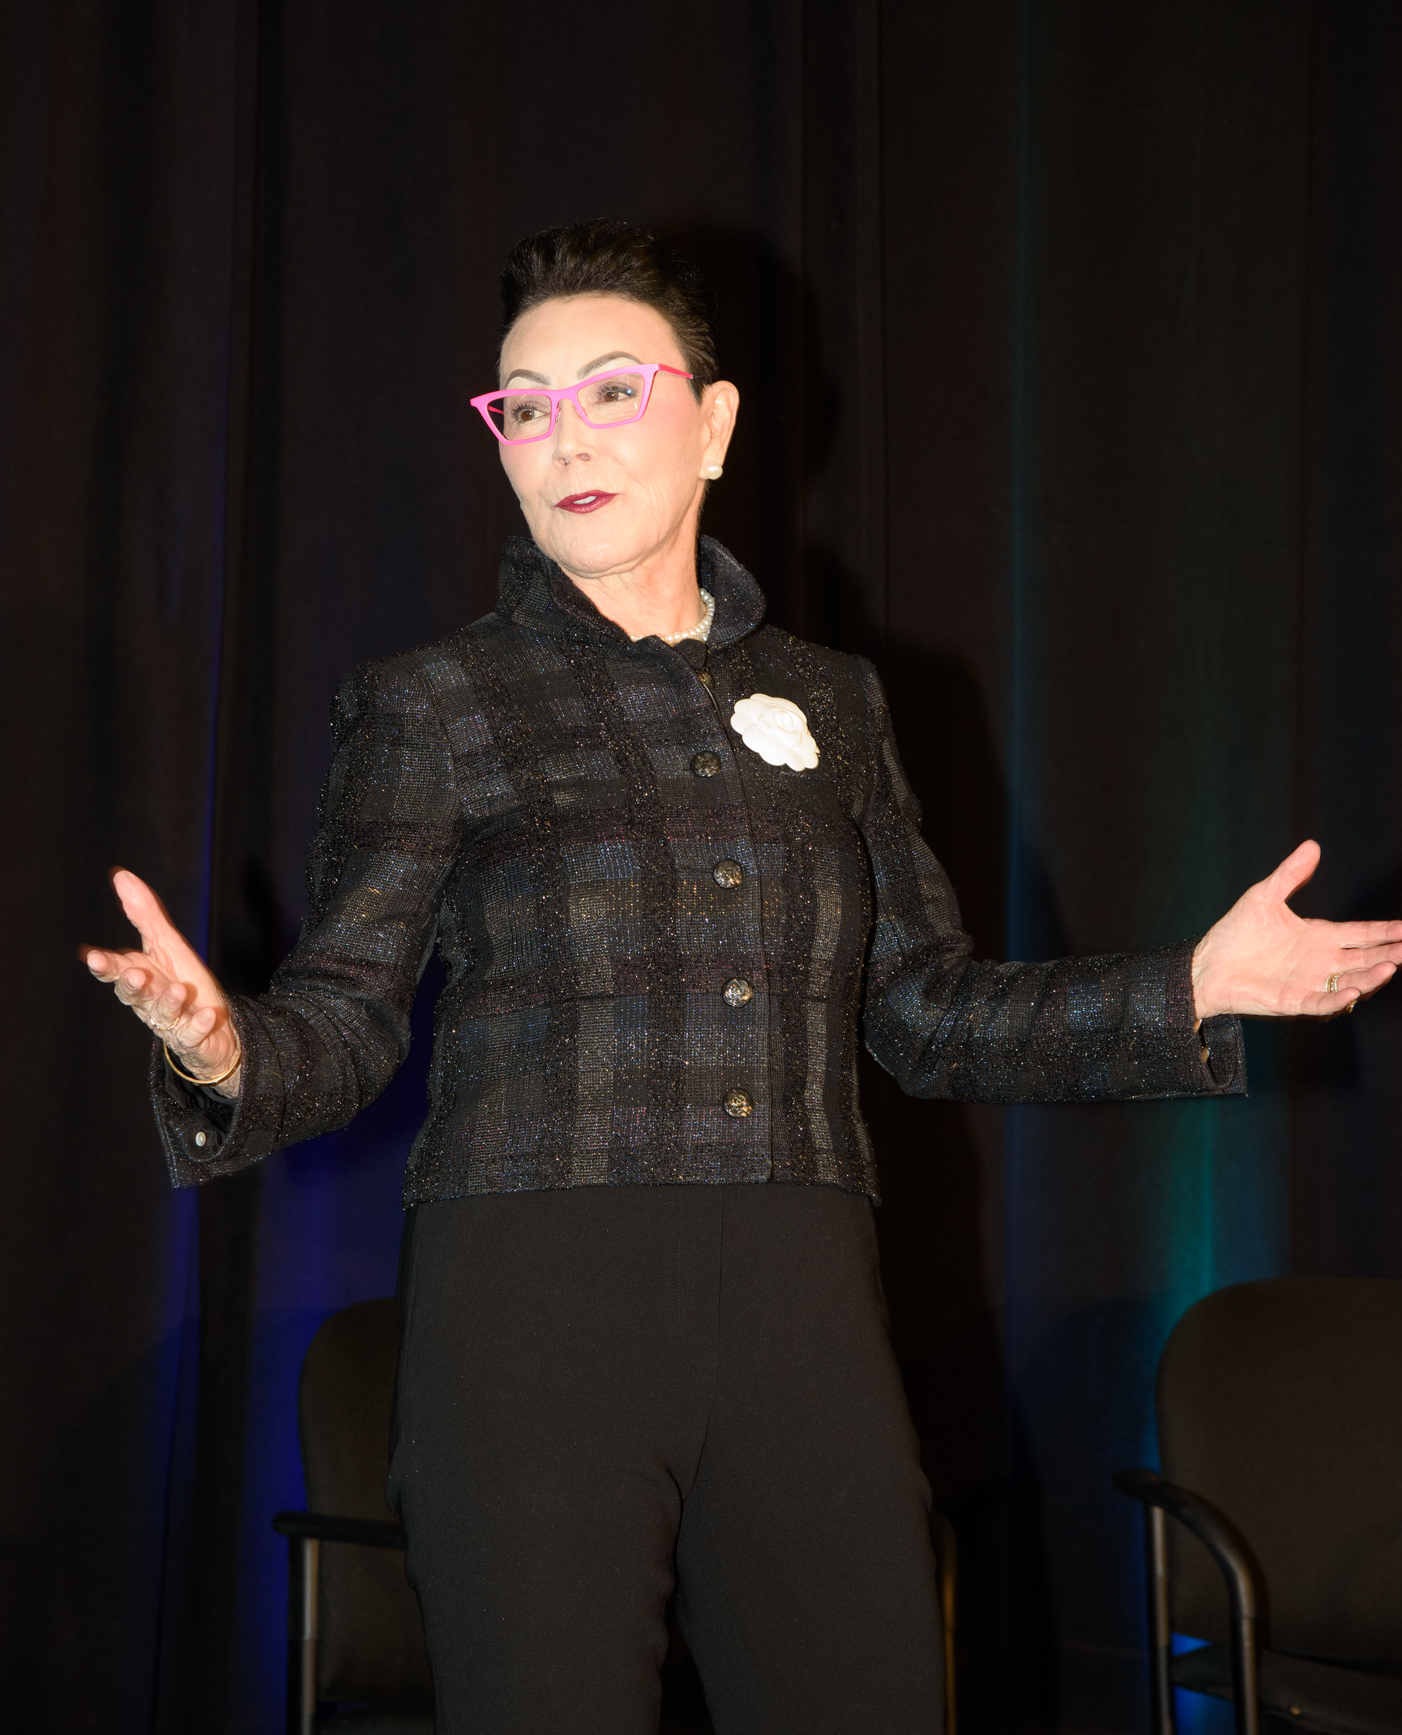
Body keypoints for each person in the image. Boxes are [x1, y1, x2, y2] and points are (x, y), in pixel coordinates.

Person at [84, 219, 1402, 1735]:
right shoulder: (436, 703)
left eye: (612, 390)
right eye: (524, 406)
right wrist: (221, 1046)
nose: (564, 437)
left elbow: (928, 1015)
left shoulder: (835, 701)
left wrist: (1187, 988)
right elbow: (344, 1016)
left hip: (800, 1300)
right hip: (534, 1308)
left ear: (713, 423)